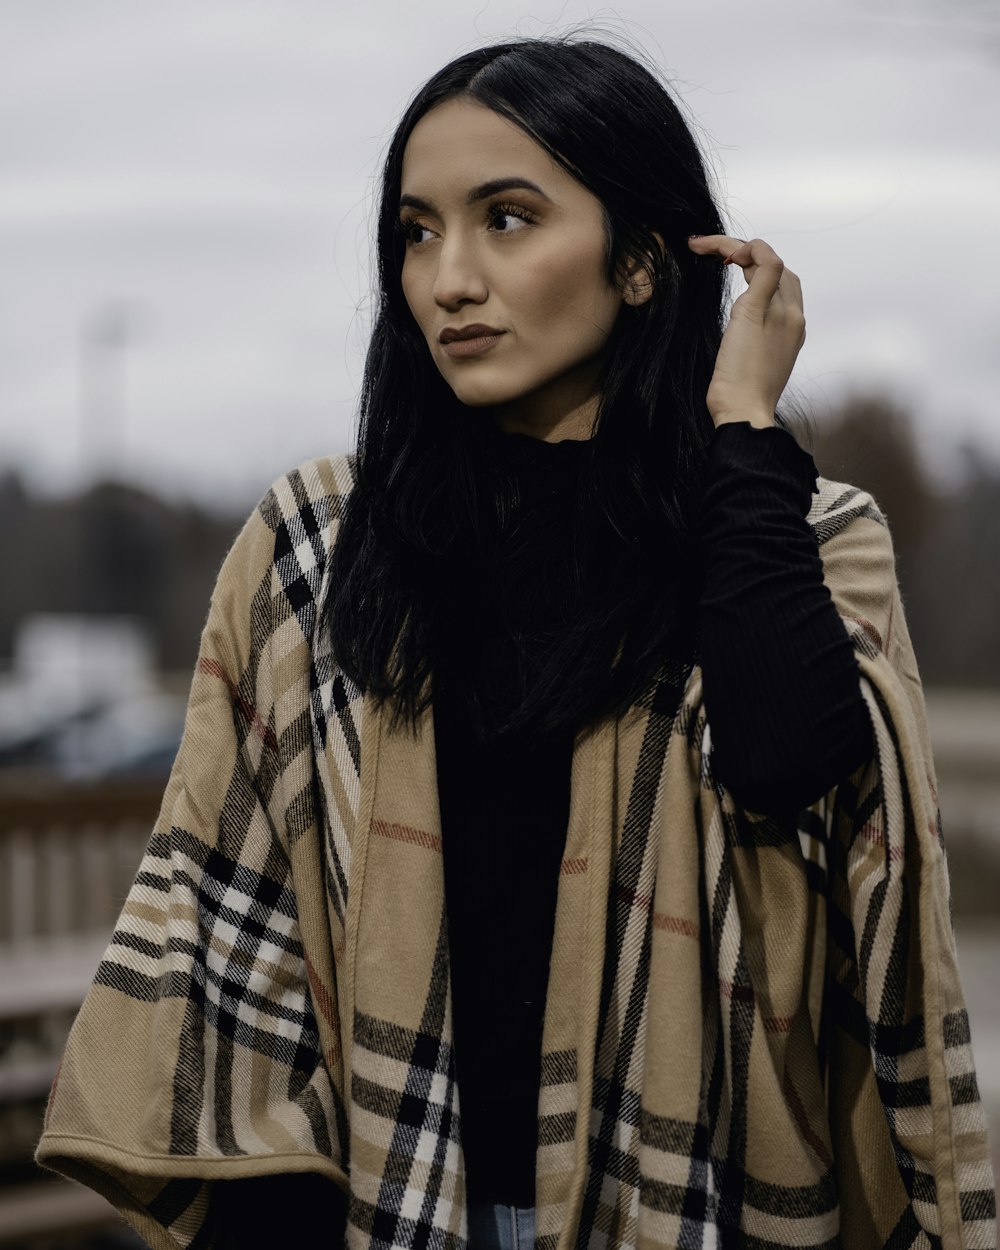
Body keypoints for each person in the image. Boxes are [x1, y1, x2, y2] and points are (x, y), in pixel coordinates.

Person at [36, 36, 995, 1250]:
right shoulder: (318, 544)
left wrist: (746, 428)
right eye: (417, 230)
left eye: (506, 218)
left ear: (643, 261)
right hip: (377, 1198)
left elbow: (788, 758)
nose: (447, 277)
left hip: (691, 1204)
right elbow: (233, 926)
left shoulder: (797, 534)